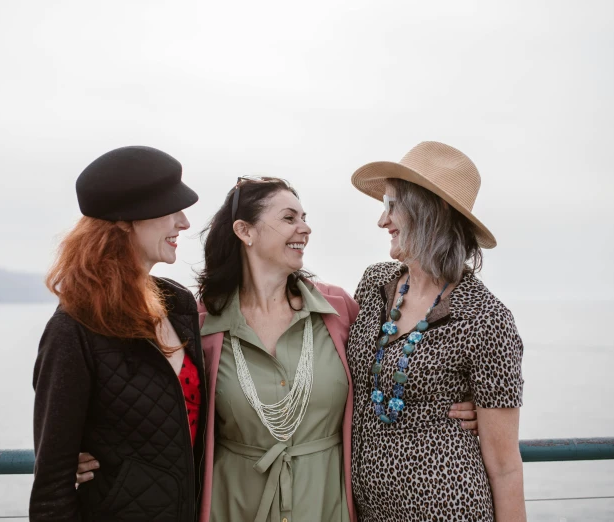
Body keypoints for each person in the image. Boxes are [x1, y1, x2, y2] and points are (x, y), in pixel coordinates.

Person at [76, 176, 481, 521]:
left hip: (326, 505)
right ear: (245, 231)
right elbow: (155, 400)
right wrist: (86, 447)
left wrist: (464, 405)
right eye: (289, 218)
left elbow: (394, 365)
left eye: (305, 218)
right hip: (233, 507)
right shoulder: (198, 323)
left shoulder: (340, 309)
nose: (304, 228)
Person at [347, 141, 526, 521]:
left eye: (392, 205)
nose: (382, 221)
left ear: (433, 210)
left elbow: (506, 466)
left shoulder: (486, 318)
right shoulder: (375, 284)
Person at [29, 146, 207, 522]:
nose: (185, 222)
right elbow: (51, 492)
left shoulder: (178, 304)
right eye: (171, 209)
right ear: (126, 220)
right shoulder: (73, 329)